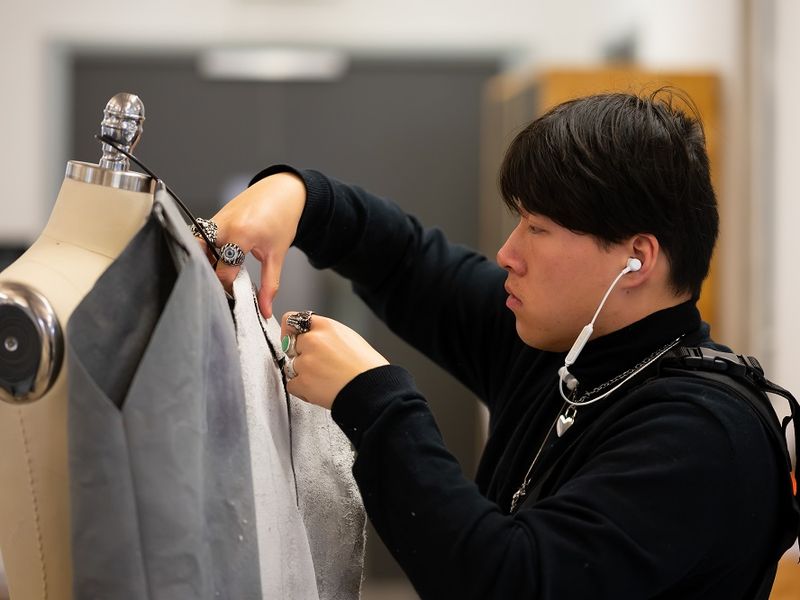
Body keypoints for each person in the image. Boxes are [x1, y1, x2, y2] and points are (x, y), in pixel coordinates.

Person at [206, 90, 795, 598]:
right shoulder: (560, 345)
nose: (509, 254)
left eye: (537, 229)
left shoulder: (704, 436)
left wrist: (377, 401)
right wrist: (295, 195)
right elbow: (405, 261)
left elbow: (507, 583)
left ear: (635, 258)